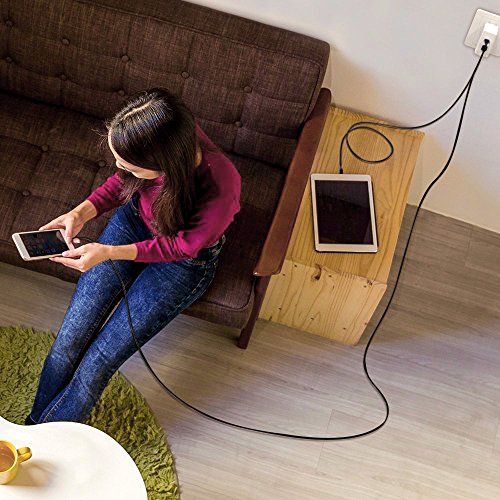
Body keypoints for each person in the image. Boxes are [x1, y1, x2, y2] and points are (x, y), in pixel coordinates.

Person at [24, 88, 241, 425]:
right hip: (135, 222)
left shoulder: (221, 184)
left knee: (97, 363)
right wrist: (80, 213)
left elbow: (183, 247)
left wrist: (109, 253)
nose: (119, 168)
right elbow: (122, 181)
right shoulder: (164, 133)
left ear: (165, 167)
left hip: (183, 262)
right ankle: (33, 429)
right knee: (69, 339)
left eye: (130, 166)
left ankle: (45, 439)